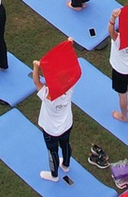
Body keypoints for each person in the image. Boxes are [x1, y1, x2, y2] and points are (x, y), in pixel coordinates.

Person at [32, 54, 74, 183]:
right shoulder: (69, 90)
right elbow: (70, 72)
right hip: (66, 125)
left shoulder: (47, 95)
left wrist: (36, 66)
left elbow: (36, 81)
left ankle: (54, 175)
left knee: (53, 152)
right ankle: (66, 165)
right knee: (65, 144)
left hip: (51, 130)